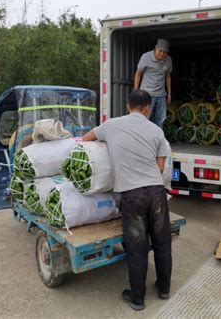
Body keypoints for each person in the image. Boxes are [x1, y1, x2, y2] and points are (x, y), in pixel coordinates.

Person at [82, 90, 172, 311]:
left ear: (127, 106)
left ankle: (138, 298)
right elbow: (160, 167)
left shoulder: (111, 125)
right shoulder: (157, 131)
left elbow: (86, 139)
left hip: (133, 196)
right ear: (147, 108)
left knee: (137, 247)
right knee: (162, 243)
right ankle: (164, 288)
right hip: (157, 193)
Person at [133, 38, 172, 129]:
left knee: (161, 120)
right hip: (147, 94)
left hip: (161, 95)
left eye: (165, 52)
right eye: (160, 51)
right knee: (145, 119)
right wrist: (136, 91)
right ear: (156, 48)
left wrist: (169, 93)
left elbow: (168, 76)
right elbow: (138, 73)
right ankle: (144, 141)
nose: (162, 54)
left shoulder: (169, 60)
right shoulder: (146, 57)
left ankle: (158, 141)